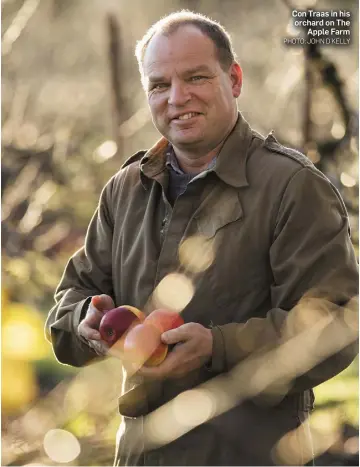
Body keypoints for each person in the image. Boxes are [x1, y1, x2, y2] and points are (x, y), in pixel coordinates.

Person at [45, 10, 358, 466]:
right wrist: (82, 323)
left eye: (196, 77)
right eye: (159, 85)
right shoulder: (126, 188)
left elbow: (335, 327)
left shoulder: (292, 187)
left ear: (233, 79)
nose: (177, 97)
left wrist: (217, 346)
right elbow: (73, 298)